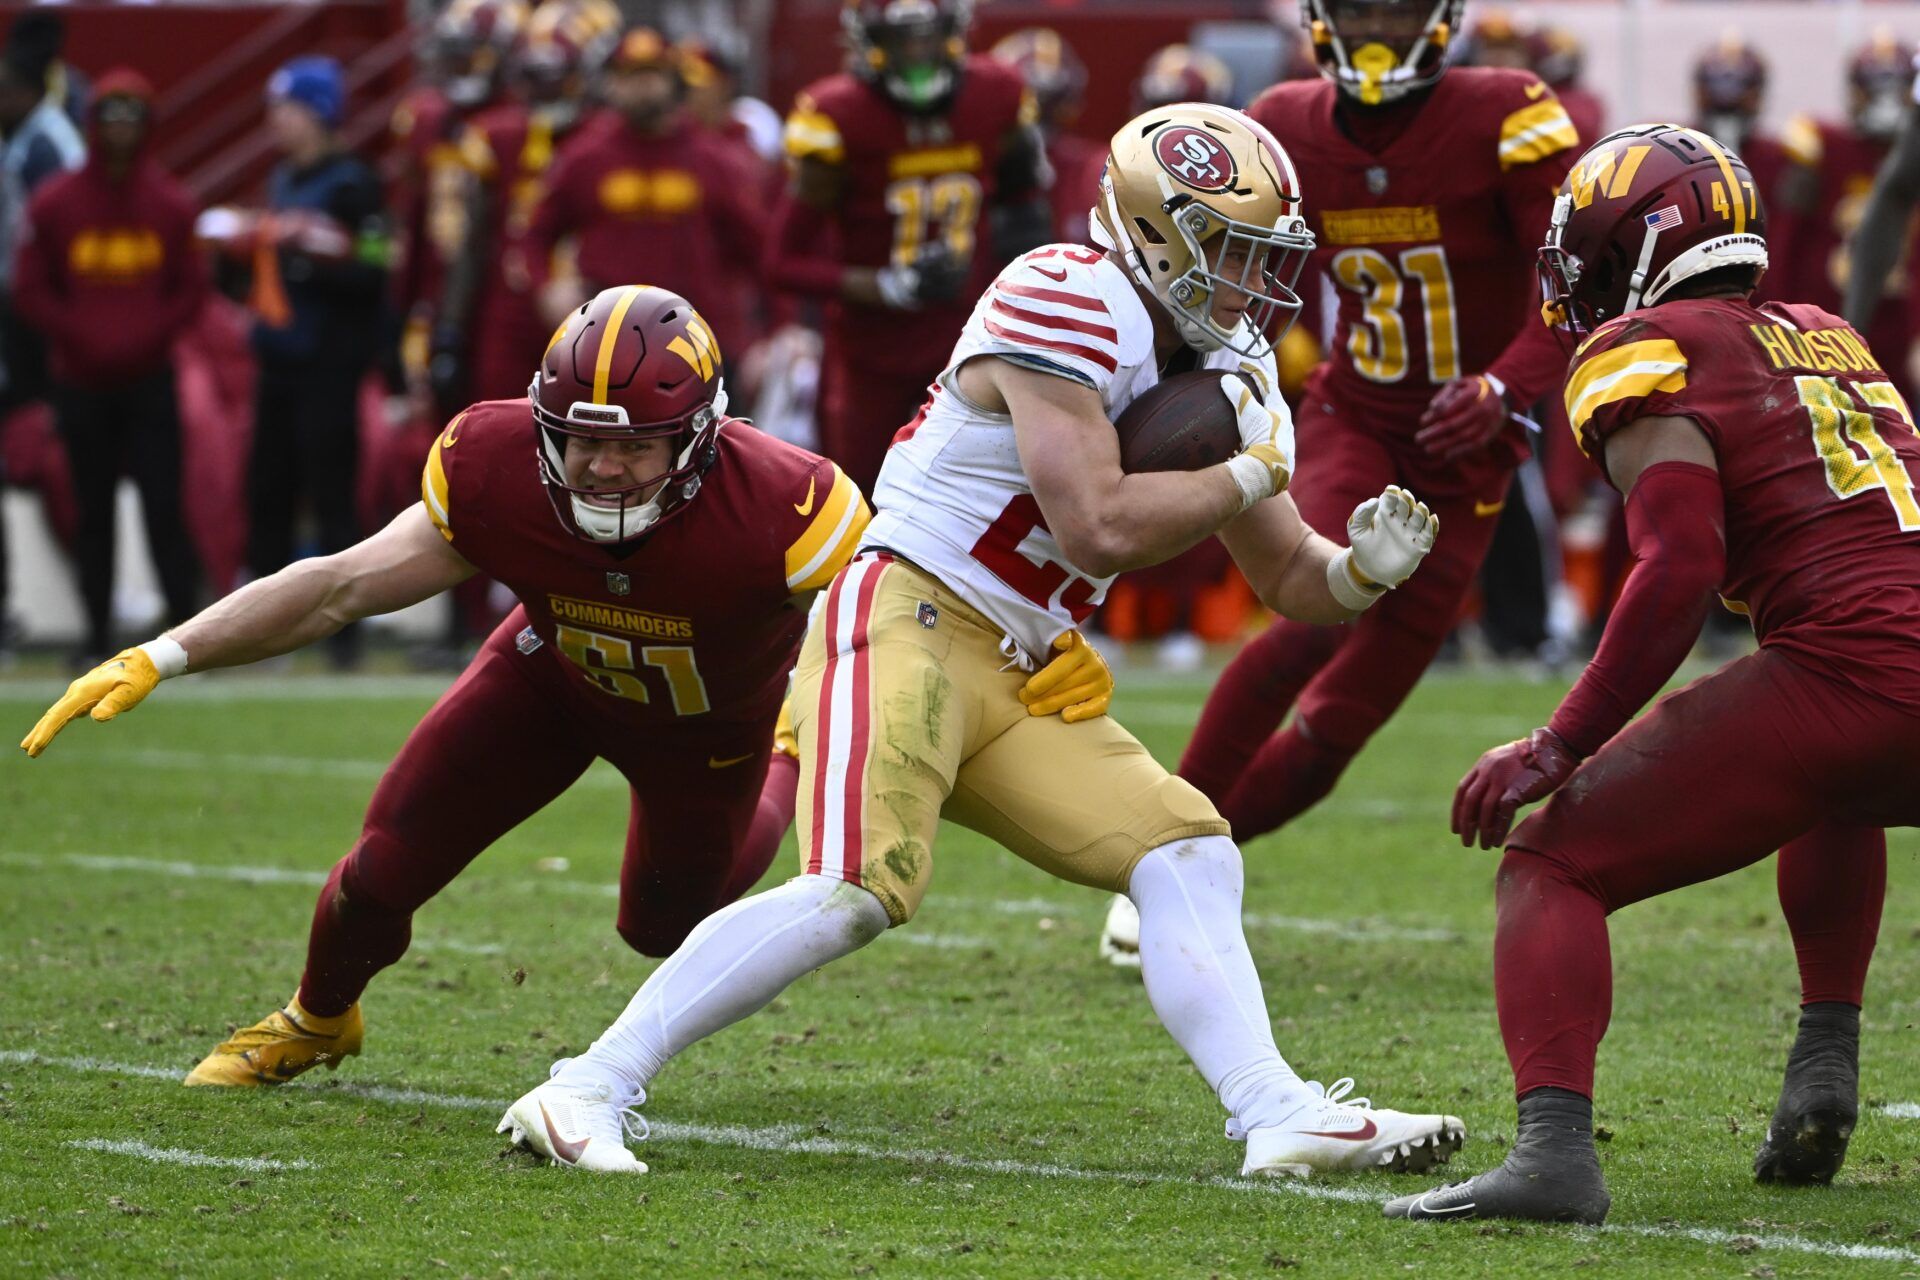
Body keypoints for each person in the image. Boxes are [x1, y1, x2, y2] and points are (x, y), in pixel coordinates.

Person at [494, 103, 1461, 1181]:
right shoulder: (1065, 294)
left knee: (1187, 848)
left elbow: (1287, 575)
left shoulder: (1228, 357)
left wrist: (1360, 570)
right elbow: (1097, 520)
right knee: (854, 887)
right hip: (904, 612)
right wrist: (1248, 470)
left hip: (1021, 663)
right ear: (1157, 232)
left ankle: (1276, 1108)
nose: (1255, 282)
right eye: (1236, 250)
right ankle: (584, 1082)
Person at [19, 284, 930, 1087]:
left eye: (640, 447)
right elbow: (340, 584)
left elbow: (908, 612)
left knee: (662, 927)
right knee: (380, 868)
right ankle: (317, 1017)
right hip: (551, 684)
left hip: (710, 725)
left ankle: (784, 756)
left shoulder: (792, 506)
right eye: (578, 441)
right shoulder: (492, 466)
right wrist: (166, 653)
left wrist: (1010, 667)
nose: (605, 469)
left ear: (700, 436)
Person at [1384, 123, 1920, 1225]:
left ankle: (1552, 1154)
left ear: (1635, 241)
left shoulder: (1647, 345)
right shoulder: (1828, 331)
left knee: (1549, 859)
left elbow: (1679, 569)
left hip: (1857, 674)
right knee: (1836, 784)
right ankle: (1825, 1060)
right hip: (1870, 669)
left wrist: (1556, 742)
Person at [1155, 0, 1580, 925]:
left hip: (1472, 451)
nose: (1378, 25)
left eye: (1397, 5)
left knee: (1336, 725)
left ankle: (1196, 859)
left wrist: (1505, 388)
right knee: (1307, 620)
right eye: (1359, 7)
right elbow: (1239, 266)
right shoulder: (1286, 119)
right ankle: (1156, 852)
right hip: (1359, 414)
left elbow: (1571, 287)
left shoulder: (1508, 109)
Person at [766, 0, 1052, 496]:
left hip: (972, 340)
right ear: (869, 42)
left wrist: (1013, 288)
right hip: (871, 353)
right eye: (900, 39)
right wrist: (881, 285)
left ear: (953, 32)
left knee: (976, 496)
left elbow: (1024, 204)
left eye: (927, 35)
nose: (917, 53)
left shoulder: (997, 93)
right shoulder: (838, 114)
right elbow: (779, 260)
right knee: (859, 498)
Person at [10, 70, 204, 663]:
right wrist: (83, 337)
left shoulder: (170, 204)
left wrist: (141, 338)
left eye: (132, 118)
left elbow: (191, 289)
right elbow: (30, 286)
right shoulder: (56, 203)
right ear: (94, 123)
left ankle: (185, 635)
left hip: (149, 379)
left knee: (164, 503)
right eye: (111, 117)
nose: (121, 130)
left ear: (147, 125)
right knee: (90, 508)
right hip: (81, 382)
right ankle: (95, 634)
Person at [248, 57, 393, 668]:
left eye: (288, 111)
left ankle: (345, 638)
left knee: (333, 497)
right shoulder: (282, 179)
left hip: (328, 365)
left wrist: (319, 249)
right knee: (267, 494)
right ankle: (261, 630)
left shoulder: (353, 185)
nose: (277, 124)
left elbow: (376, 264)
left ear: (318, 113)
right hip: (278, 361)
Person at [523, 28, 767, 362]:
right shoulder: (583, 157)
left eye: (652, 74)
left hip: (699, 344)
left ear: (674, 81)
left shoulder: (714, 160)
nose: (641, 87)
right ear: (610, 84)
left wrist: (773, 334)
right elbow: (535, 234)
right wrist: (547, 287)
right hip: (604, 345)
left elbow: (759, 249)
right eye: (629, 76)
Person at [440, 0, 619, 406]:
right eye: (536, 76)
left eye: (556, 76)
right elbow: (470, 244)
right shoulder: (494, 137)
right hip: (511, 310)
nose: (544, 89)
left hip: (599, 311)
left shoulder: (611, 140)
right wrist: (449, 328)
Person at [1774, 33, 1915, 399]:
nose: (1884, 99)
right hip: (1828, 320)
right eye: (1874, 87)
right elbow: (1788, 239)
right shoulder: (1823, 145)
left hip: (1903, 323)